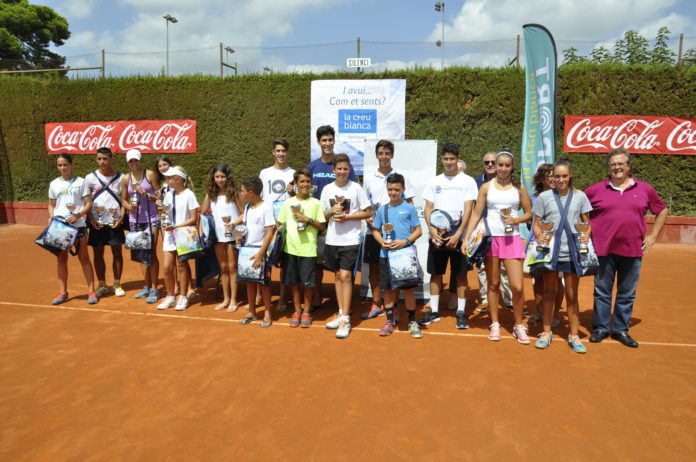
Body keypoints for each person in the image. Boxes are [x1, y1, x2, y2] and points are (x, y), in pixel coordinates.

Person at [585, 148, 668, 348]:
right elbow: (580, 209)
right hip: (603, 250)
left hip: (632, 251)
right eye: (613, 164)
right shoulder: (596, 189)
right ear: (609, 167)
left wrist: (653, 236)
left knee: (627, 293)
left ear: (629, 166)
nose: (617, 167)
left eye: (621, 163)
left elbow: (662, 209)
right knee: (602, 291)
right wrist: (586, 233)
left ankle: (620, 329)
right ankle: (601, 328)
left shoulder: (645, 189)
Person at [462, 150, 532, 343]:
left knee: (517, 287)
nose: (502, 168)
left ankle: (518, 325)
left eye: (507, 165)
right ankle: (494, 323)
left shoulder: (519, 188)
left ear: (512, 167)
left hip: (512, 239)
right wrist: (467, 238)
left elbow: (529, 213)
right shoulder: (486, 187)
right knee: (493, 285)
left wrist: (516, 218)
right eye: (500, 165)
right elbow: (476, 214)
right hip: (491, 240)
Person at [532, 159, 592, 353]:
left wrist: (586, 233)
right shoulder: (544, 197)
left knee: (572, 296)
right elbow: (537, 222)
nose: (560, 180)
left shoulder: (580, 196)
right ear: (552, 178)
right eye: (557, 176)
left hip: (572, 252)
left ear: (570, 176)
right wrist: (539, 233)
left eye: (564, 176)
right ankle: (546, 332)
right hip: (551, 252)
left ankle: (574, 335)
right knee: (549, 293)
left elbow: (586, 223)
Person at [420, 143, 477, 329]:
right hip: (438, 237)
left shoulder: (467, 181)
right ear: (442, 159)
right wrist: (432, 230)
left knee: (460, 276)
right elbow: (428, 209)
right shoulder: (434, 181)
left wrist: (459, 234)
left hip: (458, 239)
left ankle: (461, 312)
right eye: (446, 159)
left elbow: (469, 209)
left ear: (457, 159)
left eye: (452, 159)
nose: (449, 162)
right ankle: (434, 311)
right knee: (435, 275)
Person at [361, 139, 415, 320]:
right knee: (375, 268)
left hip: (397, 235)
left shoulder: (401, 176)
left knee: (396, 268)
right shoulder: (369, 178)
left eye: (387, 153)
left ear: (391, 155)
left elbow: (409, 203)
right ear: (376, 155)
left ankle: (395, 307)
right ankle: (376, 304)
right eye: (380, 153)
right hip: (373, 231)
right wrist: (371, 222)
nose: (384, 157)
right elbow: (366, 206)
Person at [306, 125, 358, 310]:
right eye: (324, 140)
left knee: (344, 268)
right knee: (317, 263)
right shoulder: (312, 166)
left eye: (330, 140)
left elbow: (351, 190)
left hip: (342, 222)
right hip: (320, 221)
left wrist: (343, 214)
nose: (327, 143)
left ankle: (344, 306)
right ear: (318, 142)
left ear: (334, 141)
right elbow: (304, 189)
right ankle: (317, 299)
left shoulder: (343, 166)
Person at [320, 154, 371, 339]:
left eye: (345, 169)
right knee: (336, 275)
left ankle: (346, 319)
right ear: (333, 169)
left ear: (349, 170)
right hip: (333, 239)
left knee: (346, 275)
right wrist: (330, 211)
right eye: (339, 168)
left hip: (351, 239)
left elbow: (367, 212)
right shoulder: (327, 189)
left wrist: (348, 216)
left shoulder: (356, 188)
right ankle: (341, 311)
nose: (342, 172)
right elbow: (323, 215)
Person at [371, 173, 423, 338]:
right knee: (387, 290)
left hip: (405, 256)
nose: (393, 192)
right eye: (390, 189)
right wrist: (382, 242)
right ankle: (389, 321)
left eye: (396, 189)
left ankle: (412, 321)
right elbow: (376, 231)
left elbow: (418, 231)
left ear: (403, 189)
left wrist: (405, 242)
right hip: (386, 256)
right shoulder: (382, 209)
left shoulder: (410, 208)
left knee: (407, 291)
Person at [277, 169, 326, 328]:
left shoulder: (316, 203)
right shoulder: (288, 203)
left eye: (307, 181)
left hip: (308, 250)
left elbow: (321, 227)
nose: (305, 184)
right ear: (296, 184)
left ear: (310, 183)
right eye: (301, 182)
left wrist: (307, 219)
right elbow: (280, 224)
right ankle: (297, 310)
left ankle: (306, 311)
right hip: (290, 250)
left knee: (309, 283)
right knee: (294, 283)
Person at [48, 153, 98, 305]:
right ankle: (63, 292)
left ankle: (91, 291)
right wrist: (52, 218)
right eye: (60, 165)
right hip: (61, 227)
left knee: (84, 258)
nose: (62, 167)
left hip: (78, 226)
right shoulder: (54, 184)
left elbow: (88, 203)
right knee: (61, 259)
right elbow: (51, 204)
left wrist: (79, 214)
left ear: (71, 165)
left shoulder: (81, 182)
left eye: (65, 164)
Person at [473, 151, 513, 313]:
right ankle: (484, 299)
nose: (489, 165)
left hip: (505, 231)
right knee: (482, 267)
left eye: (492, 162)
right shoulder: (476, 182)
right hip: (482, 231)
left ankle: (509, 299)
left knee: (505, 267)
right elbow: (473, 209)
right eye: (486, 162)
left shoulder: (510, 184)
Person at [200, 163, 243, 312]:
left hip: (233, 236)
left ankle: (233, 300)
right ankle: (225, 299)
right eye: (217, 176)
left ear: (228, 177)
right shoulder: (210, 195)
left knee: (232, 267)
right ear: (213, 177)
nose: (220, 180)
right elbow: (202, 214)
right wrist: (204, 231)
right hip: (217, 237)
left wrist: (234, 224)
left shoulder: (234, 194)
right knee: (223, 268)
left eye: (222, 176)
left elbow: (244, 213)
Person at [259, 138, 295, 311]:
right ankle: (259, 295)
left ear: (288, 153)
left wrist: (293, 191)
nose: (281, 154)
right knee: (265, 260)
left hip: (286, 227)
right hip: (268, 226)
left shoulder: (294, 174)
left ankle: (282, 298)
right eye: (278, 151)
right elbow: (260, 199)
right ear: (273, 152)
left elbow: (299, 199)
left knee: (284, 263)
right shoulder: (264, 173)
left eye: (284, 151)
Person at [121, 149, 161, 304]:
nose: (134, 163)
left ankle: (155, 288)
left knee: (151, 253)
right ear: (128, 162)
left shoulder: (150, 175)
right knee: (140, 255)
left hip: (152, 219)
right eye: (131, 161)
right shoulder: (125, 179)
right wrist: (129, 207)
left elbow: (159, 196)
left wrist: (146, 194)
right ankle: (146, 286)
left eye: (136, 160)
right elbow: (123, 200)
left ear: (140, 160)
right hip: (134, 220)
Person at [84, 147, 125, 298]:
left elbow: (124, 200)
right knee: (98, 253)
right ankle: (102, 284)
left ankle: (117, 283)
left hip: (115, 221)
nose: (102, 162)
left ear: (111, 159)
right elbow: (86, 200)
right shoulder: (90, 178)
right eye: (99, 159)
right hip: (97, 222)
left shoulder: (122, 178)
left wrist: (121, 218)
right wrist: (91, 219)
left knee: (117, 252)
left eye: (105, 158)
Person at [157, 166, 199, 311]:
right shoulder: (168, 195)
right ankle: (170, 297)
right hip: (169, 234)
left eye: (169, 178)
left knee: (182, 266)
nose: (166, 180)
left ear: (178, 179)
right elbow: (166, 213)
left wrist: (176, 226)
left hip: (183, 234)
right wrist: (163, 216)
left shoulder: (189, 195)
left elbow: (194, 218)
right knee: (167, 268)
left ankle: (183, 297)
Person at [527, 163, 564, 326]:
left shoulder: (563, 195)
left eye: (554, 175)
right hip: (537, 241)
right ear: (542, 179)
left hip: (558, 243)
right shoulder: (533, 197)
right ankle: (540, 312)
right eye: (549, 176)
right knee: (538, 278)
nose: (552, 179)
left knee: (557, 280)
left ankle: (555, 313)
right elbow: (530, 219)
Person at [237, 177, 276, 327]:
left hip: (261, 252)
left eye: (243, 191)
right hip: (247, 250)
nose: (241, 193)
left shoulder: (266, 207)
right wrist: (240, 238)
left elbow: (269, 232)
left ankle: (267, 312)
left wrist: (261, 253)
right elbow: (247, 228)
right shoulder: (247, 207)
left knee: (264, 283)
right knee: (250, 282)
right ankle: (252, 311)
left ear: (251, 193)